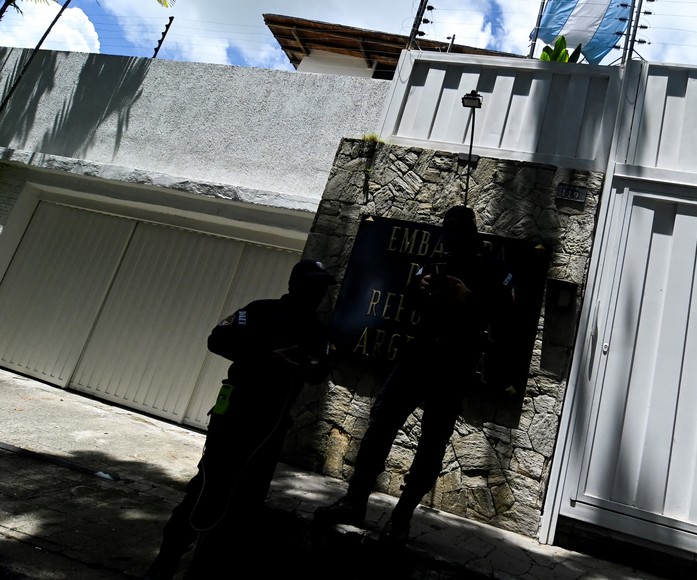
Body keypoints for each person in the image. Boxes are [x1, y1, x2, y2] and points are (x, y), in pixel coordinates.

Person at [314, 205, 515, 544]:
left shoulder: (493, 267)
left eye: (456, 230)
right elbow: (410, 298)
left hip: (454, 364)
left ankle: (401, 519)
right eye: (446, 229)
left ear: (471, 232)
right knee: (380, 424)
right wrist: (419, 286)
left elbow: (507, 313)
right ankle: (354, 502)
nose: (449, 237)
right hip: (418, 355)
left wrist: (469, 298)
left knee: (432, 444)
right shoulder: (437, 262)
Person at [145, 259, 336, 580]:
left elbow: (319, 371)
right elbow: (217, 339)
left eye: (322, 288)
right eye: (312, 285)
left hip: (271, 427)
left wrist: (314, 364)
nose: (318, 294)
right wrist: (266, 355)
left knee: (246, 501)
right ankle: (166, 561)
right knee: (208, 487)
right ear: (295, 285)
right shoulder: (259, 310)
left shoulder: (317, 330)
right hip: (235, 416)